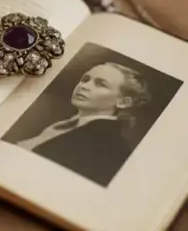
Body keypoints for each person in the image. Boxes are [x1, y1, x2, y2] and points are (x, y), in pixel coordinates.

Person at [15, 62, 150, 186]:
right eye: (85, 79)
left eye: (101, 84)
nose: (84, 86)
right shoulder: (63, 127)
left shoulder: (107, 144)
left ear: (123, 102)